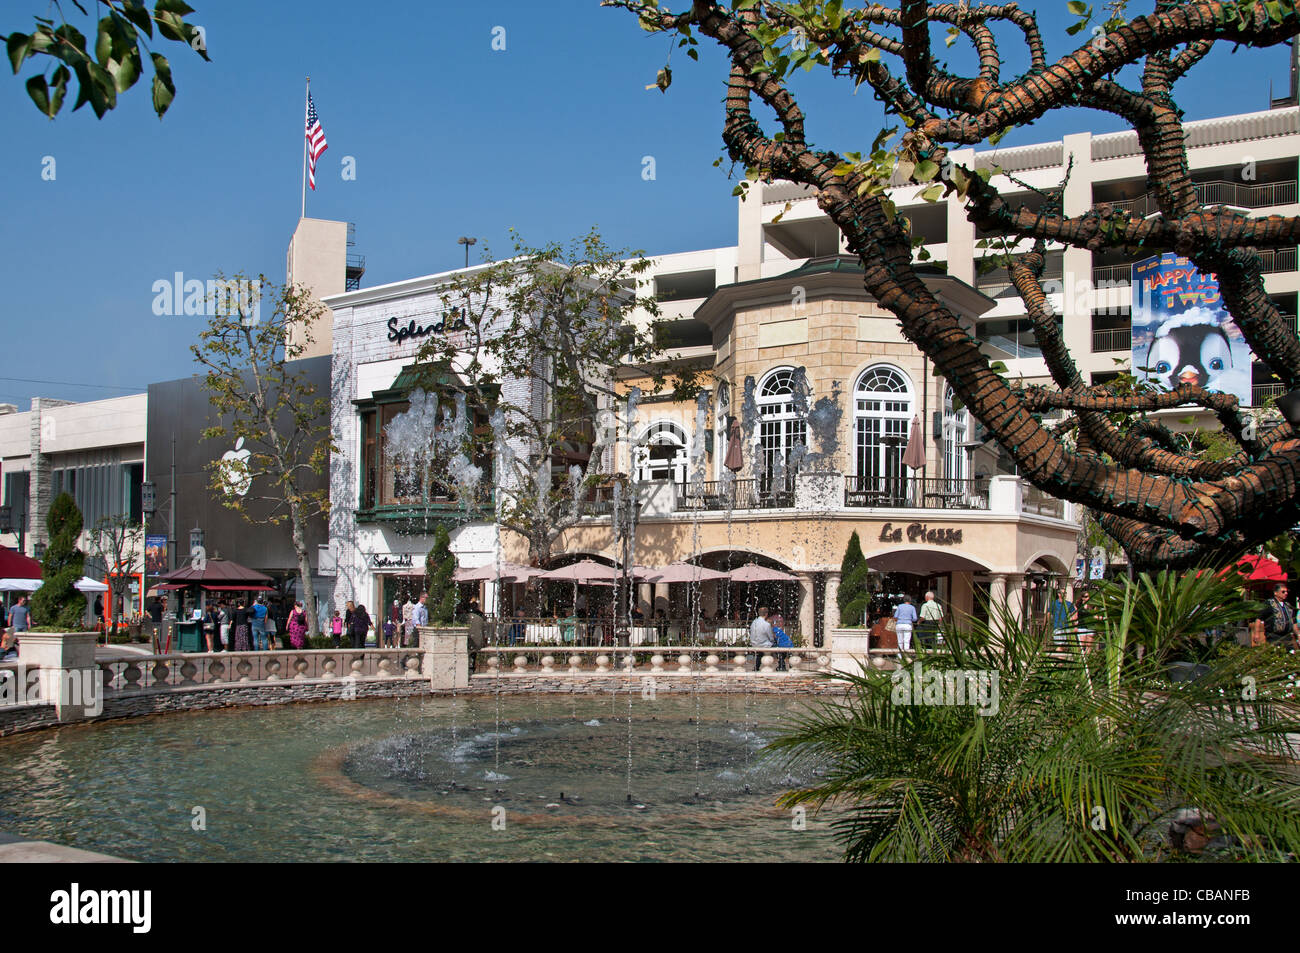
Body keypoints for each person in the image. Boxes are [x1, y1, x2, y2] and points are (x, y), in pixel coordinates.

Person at [1258, 582, 1300, 650]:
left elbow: (1294, 622)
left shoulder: (1288, 606)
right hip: (1274, 636)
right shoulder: (1269, 603)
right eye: (1283, 592)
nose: (1286, 593)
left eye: (1287, 591)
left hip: (1287, 637)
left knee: (1290, 654)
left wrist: (1298, 635)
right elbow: (1259, 618)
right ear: (1276, 593)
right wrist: (1257, 633)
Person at [749, 605, 774, 671]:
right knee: (777, 645)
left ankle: (756, 667)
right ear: (766, 614)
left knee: (760, 653)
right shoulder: (766, 624)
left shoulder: (753, 622)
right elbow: (771, 637)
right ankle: (781, 665)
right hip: (763, 644)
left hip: (754, 644)